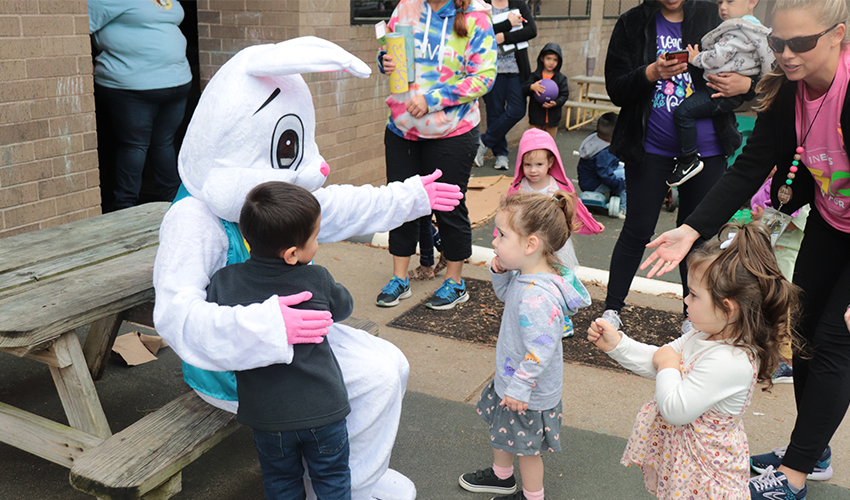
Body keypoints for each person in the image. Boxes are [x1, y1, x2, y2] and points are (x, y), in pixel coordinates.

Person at [154, 37, 465, 500]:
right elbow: (176, 315)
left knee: (390, 366)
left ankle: (357, 476)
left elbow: (336, 205)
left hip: (296, 335)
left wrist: (410, 197)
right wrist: (264, 326)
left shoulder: (267, 199)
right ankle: (340, 486)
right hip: (240, 362)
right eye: (289, 148)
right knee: (373, 380)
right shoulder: (195, 220)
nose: (316, 167)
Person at [640, 2, 850, 498]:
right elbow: (748, 168)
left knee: (835, 341)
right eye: (777, 44)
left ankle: (795, 475)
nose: (786, 55)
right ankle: (812, 448)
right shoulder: (790, 91)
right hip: (831, 220)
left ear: (838, 35)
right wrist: (691, 230)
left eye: (801, 43)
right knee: (803, 334)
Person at [588, 222, 798, 499]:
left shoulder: (731, 360)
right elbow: (660, 358)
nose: (685, 300)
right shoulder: (703, 335)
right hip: (688, 468)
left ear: (728, 308)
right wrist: (618, 345)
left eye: (694, 295)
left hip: (708, 478)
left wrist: (667, 365)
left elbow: (676, 406)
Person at [601, 0, 752, 330]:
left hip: (708, 151)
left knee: (698, 235)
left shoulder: (713, 15)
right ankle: (612, 309)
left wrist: (746, 87)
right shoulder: (632, 22)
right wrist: (650, 72)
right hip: (649, 149)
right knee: (637, 229)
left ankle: (692, 316)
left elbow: (751, 67)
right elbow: (616, 87)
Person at [206, 182, 353, 499]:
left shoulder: (224, 282)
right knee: (333, 479)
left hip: (267, 414)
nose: (317, 243)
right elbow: (344, 307)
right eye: (314, 237)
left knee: (280, 482)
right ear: (291, 254)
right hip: (323, 407)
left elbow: (211, 322)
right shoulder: (316, 278)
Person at [460, 191, 591, 500]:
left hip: (526, 391)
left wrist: (519, 387)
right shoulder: (527, 275)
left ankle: (533, 497)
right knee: (501, 427)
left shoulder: (538, 298)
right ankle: (501, 477)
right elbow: (507, 295)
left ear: (531, 245)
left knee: (527, 450)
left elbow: (541, 350)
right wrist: (499, 271)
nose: (494, 241)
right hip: (513, 379)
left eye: (502, 235)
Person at [376, 0, 497, 310]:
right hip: (402, 128)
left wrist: (434, 100)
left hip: (452, 132)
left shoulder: (475, 17)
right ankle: (399, 277)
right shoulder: (406, 7)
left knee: (449, 209)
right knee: (401, 204)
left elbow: (484, 77)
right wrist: (384, 61)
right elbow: (389, 50)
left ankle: (455, 282)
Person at [87, 0, 193, 211]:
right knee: (135, 145)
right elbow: (76, 29)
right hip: (132, 85)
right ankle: (125, 206)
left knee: (163, 142)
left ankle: (173, 202)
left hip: (177, 81)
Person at [667, 0, 774, 187]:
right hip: (725, 92)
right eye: (720, 2)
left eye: (730, 1)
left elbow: (718, 56)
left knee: (683, 113)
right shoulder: (756, 30)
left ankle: (688, 159)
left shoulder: (739, 30)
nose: (723, 7)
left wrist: (696, 58)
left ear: (752, 2)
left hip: (720, 93)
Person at [503, 128, 605, 272]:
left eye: (539, 164)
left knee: (559, 272)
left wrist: (592, 224)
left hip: (555, 241)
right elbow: (507, 213)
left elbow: (574, 207)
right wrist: (501, 237)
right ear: (520, 162)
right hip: (527, 240)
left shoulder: (559, 186)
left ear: (551, 162)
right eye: (527, 165)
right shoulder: (519, 187)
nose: (533, 170)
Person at [474, 0, 536, 170]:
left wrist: (504, 37)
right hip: (491, 70)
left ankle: (483, 142)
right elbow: (480, 32)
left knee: (517, 110)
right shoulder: (483, 5)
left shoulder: (518, 4)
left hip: (516, 70)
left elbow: (531, 30)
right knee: (495, 112)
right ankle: (501, 155)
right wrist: (508, 24)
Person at [576, 112, 626, 217]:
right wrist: (620, 185)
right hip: (594, 185)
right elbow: (605, 175)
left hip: (588, 179)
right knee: (627, 179)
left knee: (622, 170)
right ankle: (623, 208)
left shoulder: (596, 138)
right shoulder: (605, 153)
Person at [523, 43, 569, 139]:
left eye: (555, 60)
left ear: (559, 62)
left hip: (553, 121)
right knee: (533, 143)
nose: (551, 62)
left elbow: (564, 95)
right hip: (536, 119)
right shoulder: (535, 76)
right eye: (548, 59)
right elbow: (524, 89)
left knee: (549, 144)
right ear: (542, 58)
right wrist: (532, 87)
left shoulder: (561, 78)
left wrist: (555, 103)